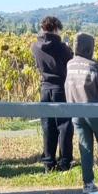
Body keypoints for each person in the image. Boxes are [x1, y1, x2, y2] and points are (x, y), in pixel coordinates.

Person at [65, 33, 98, 194]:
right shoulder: (94, 65)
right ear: (90, 47)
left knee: (85, 148)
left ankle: (88, 183)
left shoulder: (69, 64)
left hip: (76, 112)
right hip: (96, 112)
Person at [31, 14, 74, 172]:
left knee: (48, 125)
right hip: (60, 87)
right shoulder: (62, 47)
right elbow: (69, 61)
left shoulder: (35, 46)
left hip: (45, 88)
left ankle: (48, 161)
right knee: (64, 126)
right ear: (56, 28)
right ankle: (65, 161)